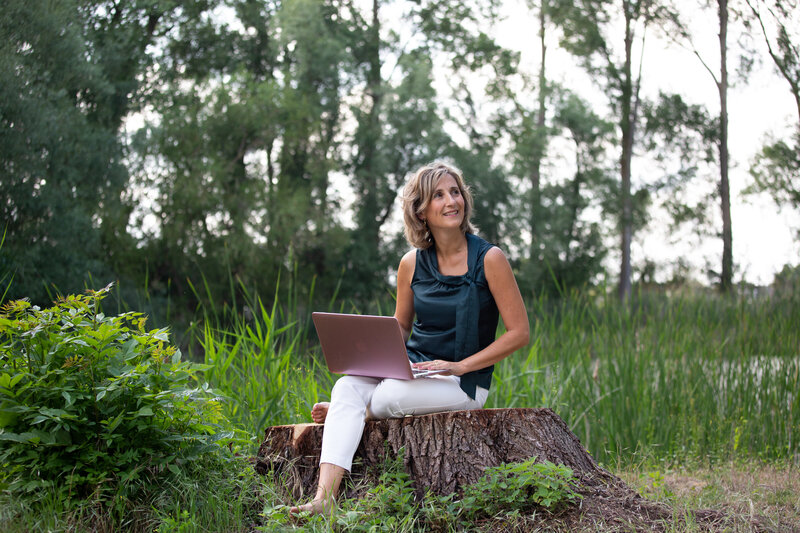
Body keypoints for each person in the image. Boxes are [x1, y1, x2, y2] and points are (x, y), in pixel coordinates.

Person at [290, 161, 529, 515]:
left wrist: (460, 365)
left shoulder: (489, 259)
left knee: (386, 396)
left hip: (463, 383)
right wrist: (372, 344)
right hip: (414, 369)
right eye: (439, 195)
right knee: (345, 387)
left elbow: (520, 333)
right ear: (420, 211)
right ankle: (324, 499)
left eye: (455, 192)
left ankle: (356, 413)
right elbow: (402, 326)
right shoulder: (411, 264)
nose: (452, 201)